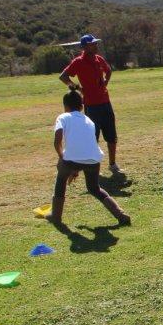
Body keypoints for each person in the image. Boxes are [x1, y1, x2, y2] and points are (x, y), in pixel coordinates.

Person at [47, 90, 130, 226]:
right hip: (93, 159)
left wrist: (62, 158)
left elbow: (57, 141)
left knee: (61, 179)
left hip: (72, 159)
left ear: (65, 106)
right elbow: (84, 148)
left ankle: (55, 216)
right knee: (94, 188)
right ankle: (120, 213)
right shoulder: (89, 120)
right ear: (82, 106)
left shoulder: (63, 117)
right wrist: (74, 168)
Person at [59, 34, 122, 175]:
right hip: (91, 105)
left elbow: (109, 70)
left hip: (105, 103)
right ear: (84, 47)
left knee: (111, 136)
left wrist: (105, 82)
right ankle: (92, 166)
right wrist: (77, 88)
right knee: (92, 137)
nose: (95, 46)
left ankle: (112, 165)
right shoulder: (78, 62)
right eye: (92, 44)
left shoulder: (99, 59)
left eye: (95, 43)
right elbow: (63, 76)